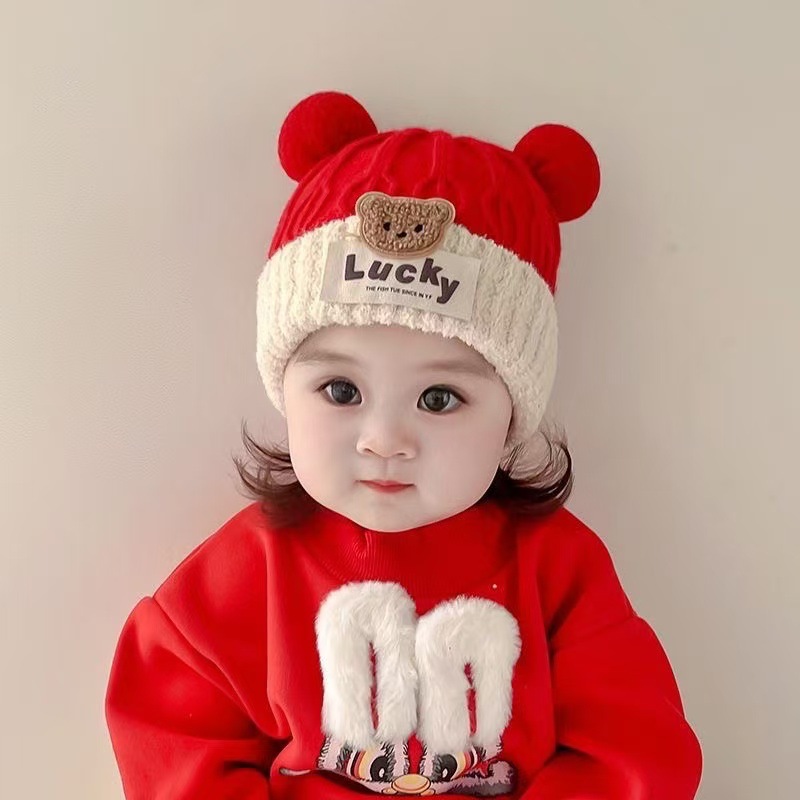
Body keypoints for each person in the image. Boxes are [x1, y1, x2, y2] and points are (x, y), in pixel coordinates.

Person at [105, 90, 703, 799]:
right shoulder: (249, 570)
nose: (384, 440)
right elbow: (172, 732)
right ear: (284, 389)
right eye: (340, 390)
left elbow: (638, 754)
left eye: (439, 399)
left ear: (511, 417)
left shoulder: (558, 571)